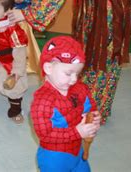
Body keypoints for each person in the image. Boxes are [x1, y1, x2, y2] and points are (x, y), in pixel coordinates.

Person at [31, 36, 101, 172]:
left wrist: (94, 116)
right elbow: (45, 135)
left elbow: (90, 107)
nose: (74, 79)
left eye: (77, 73)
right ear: (48, 68)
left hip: (77, 153)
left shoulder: (80, 88)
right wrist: (77, 132)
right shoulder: (42, 101)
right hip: (54, 158)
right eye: (68, 73)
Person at [10, 0, 41, 74]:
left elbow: (33, 14)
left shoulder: (27, 4)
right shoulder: (9, 4)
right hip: (13, 29)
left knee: (26, 46)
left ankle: (27, 63)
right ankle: (12, 63)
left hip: (25, 29)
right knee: (13, 46)